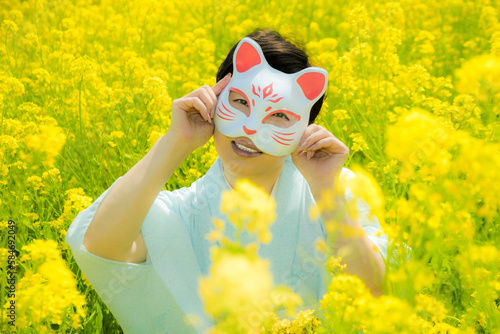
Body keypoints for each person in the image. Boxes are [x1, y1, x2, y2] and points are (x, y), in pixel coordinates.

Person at [65, 29, 388, 333]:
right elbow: (101, 249)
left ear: (307, 125)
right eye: (240, 102)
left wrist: (325, 187)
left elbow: (374, 292)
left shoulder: (336, 189)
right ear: (214, 101)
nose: (250, 128)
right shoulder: (183, 211)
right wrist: (176, 141)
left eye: (280, 115)